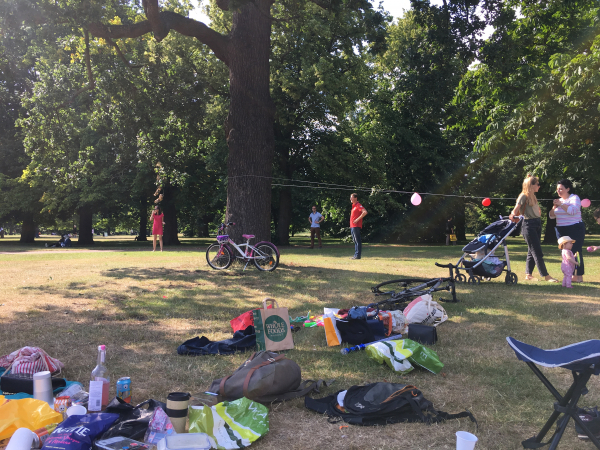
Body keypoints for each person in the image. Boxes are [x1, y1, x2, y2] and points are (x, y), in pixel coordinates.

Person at [509, 175, 558, 282]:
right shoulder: (523, 196)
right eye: (537, 184)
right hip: (528, 225)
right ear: (530, 185)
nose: (539, 186)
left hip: (537, 224)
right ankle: (546, 275)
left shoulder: (533, 196)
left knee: (532, 251)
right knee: (537, 252)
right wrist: (513, 215)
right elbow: (515, 209)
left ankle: (528, 275)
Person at [549, 179, 585, 282]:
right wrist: (554, 207)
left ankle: (578, 276)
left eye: (561, 189)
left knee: (575, 252)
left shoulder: (574, 198)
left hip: (575, 228)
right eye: (557, 189)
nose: (558, 191)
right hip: (561, 229)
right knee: (565, 252)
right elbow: (551, 216)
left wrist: (560, 205)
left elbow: (572, 211)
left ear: (568, 189)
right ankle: (569, 274)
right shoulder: (559, 201)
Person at [349, 193, 367, 260]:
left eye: (351, 197)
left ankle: (357, 255)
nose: (350, 199)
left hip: (356, 226)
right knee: (355, 241)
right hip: (352, 226)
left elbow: (365, 212)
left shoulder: (358, 205)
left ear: (355, 198)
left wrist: (357, 219)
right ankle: (356, 255)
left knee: (357, 241)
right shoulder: (354, 206)